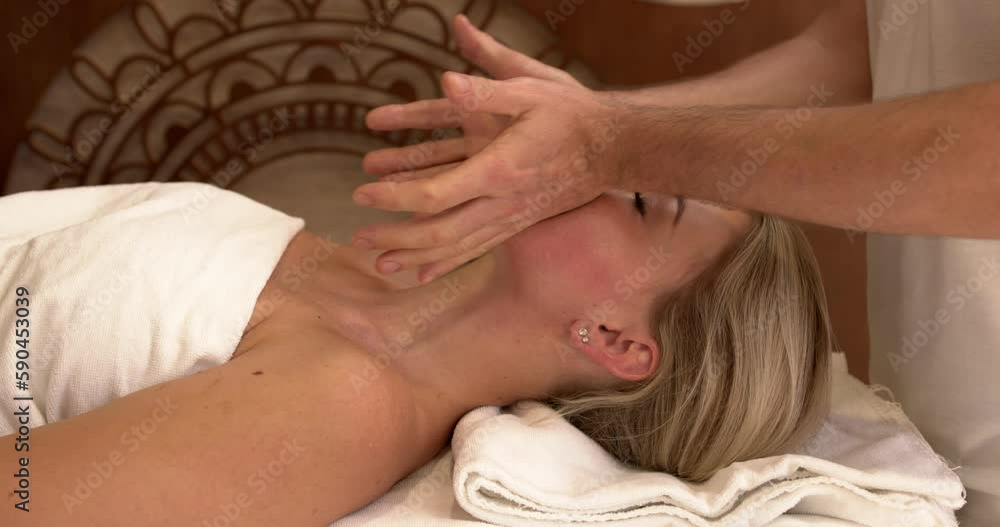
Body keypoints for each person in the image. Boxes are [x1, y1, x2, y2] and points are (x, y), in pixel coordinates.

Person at [353, 6, 1000, 524]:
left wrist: (608, 142)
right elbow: (860, 49)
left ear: (617, 339)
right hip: (945, 411)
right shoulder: (355, 302)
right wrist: (592, 128)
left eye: (639, 199)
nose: (592, 187)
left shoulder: (357, 406)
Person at [0, 174, 830, 524]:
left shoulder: (344, 407)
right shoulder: (363, 271)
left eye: (642, 199)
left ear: (615, 339)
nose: (594, 171)